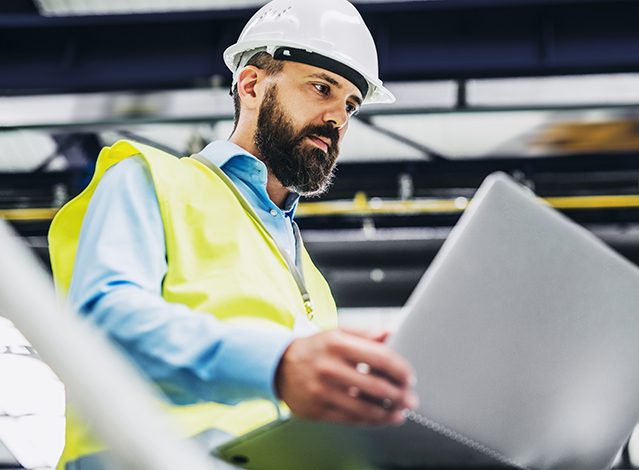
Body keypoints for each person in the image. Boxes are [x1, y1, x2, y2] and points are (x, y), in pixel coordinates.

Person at [47, 0, 418, 468]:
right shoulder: (150, 180)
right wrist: (277, 364)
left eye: (350, 104)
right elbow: (101, 324)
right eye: (322, 88)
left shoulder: (313, 283)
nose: (338, 118)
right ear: (251, 85)